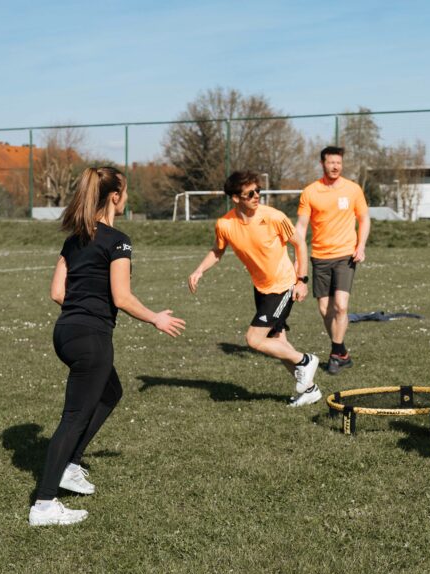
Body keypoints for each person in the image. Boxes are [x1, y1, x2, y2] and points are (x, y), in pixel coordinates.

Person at [30, 167, 186, 527]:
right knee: (73, 417)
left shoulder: (73, 240)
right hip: (91, 338)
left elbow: (56, 292)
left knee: (110, 391)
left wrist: (80, 310)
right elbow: (122, 297)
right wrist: (155, 318)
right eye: (125, 191)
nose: (126, 197)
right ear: (115, 196)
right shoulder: (118, 241)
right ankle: (44, 504)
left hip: (65, 333)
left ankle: (71, 465)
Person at [188, 171, 321, 406]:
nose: (256, 195)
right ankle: (310, 390)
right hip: (261, 289)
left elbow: (300, 244)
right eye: (250, 193)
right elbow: (218, 250)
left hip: (283, 286)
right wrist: (199, 270)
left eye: (258, 190)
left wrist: (302, 280)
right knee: (278, 342)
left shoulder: (274, 216)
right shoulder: (225, 224)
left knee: (253, 339)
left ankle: (306, 360)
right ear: (235, 198)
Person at [296, 146, 370, 375]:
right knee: (325, 310)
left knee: (341, 306)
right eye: (331, 162)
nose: (335, 166)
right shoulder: (310, 192)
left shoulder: (353, 189)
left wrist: (361, 245)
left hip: (345, 255)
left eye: (339, 162)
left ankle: (334, 355)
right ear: (323, 164)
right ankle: (341, 351)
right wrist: (297, 256)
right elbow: (301, 226)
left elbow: (364, 218)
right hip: (319, 256)